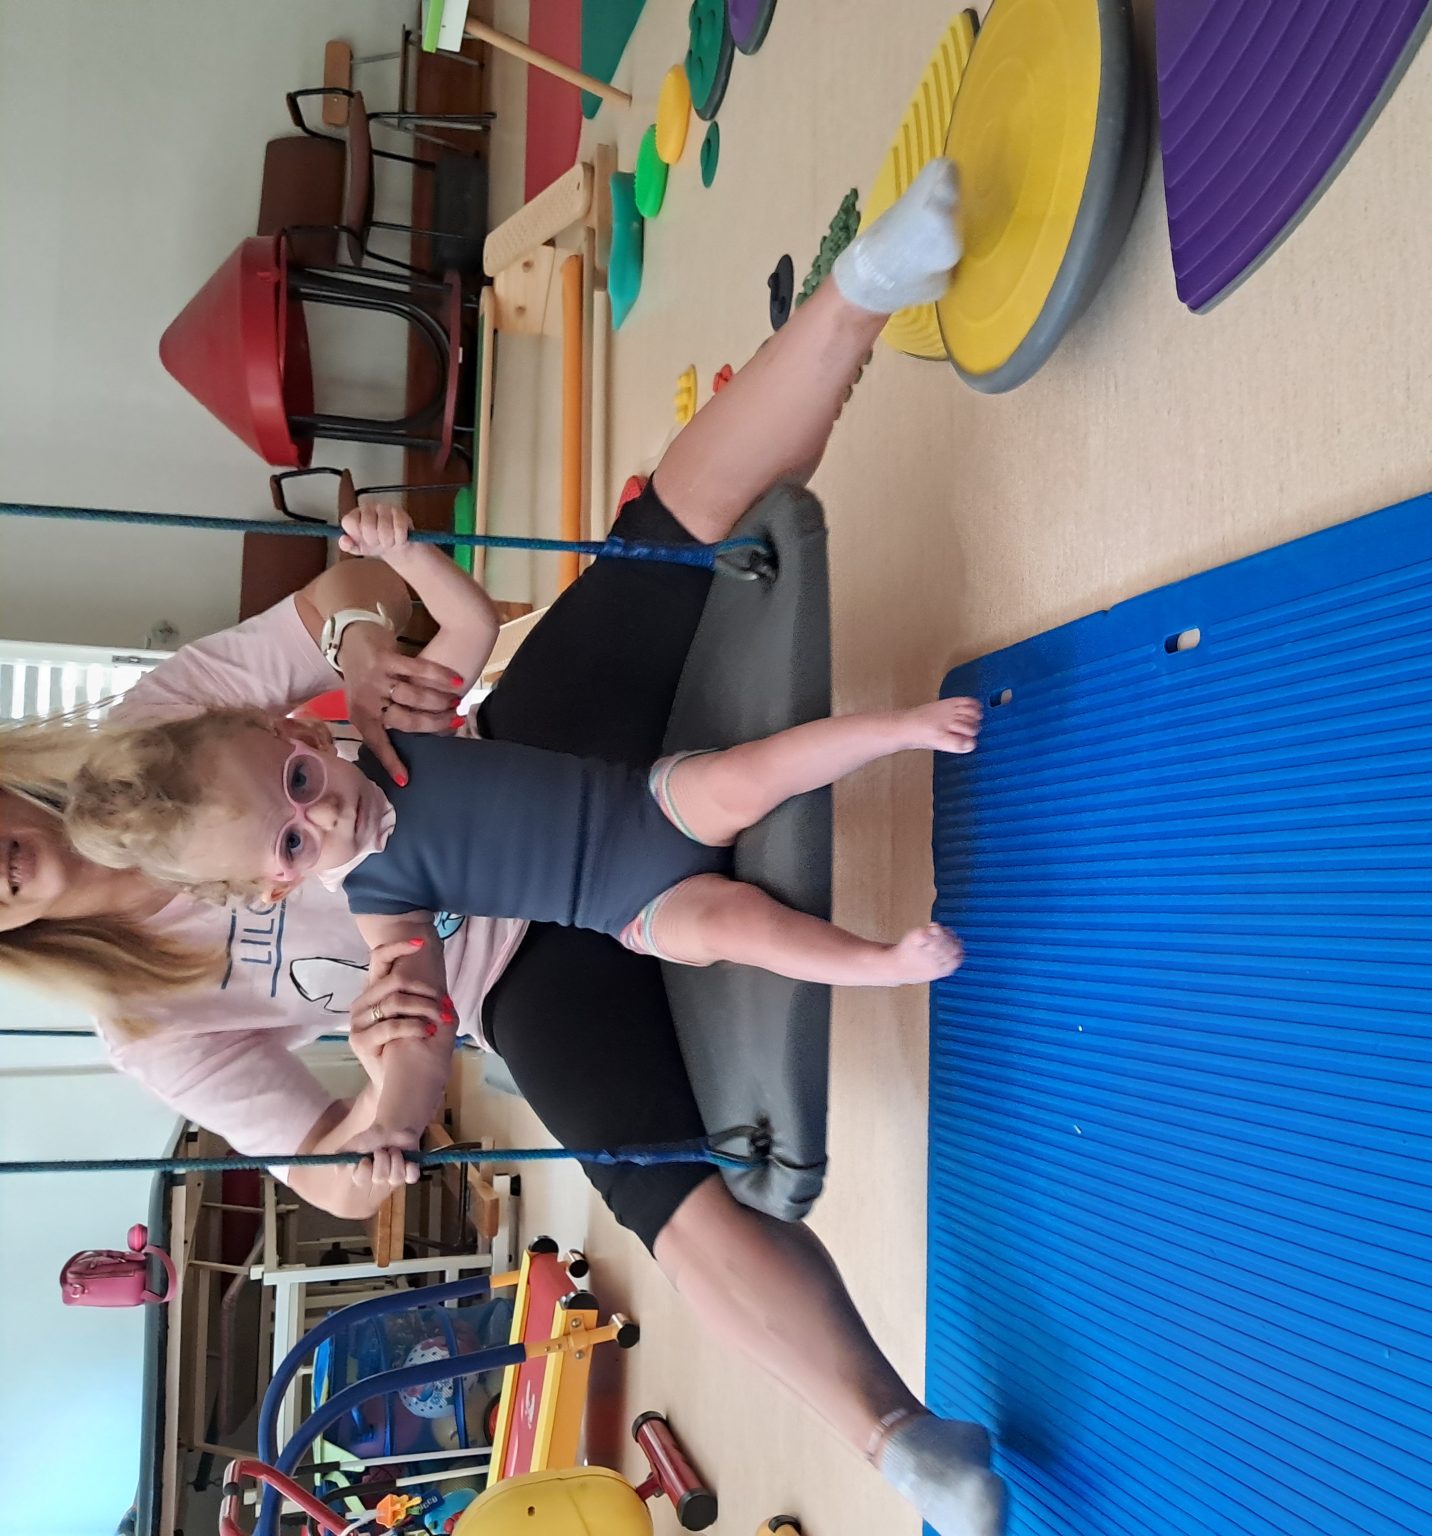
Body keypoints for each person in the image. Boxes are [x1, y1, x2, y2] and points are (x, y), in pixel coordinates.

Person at [0, 161, 1007, 1536]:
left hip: (518, 765)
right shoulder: (145, 1025)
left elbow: (352, 597)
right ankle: (899, 1441)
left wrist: (363, 648)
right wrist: (383, 1120)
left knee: (656, 537)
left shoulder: (153, 731)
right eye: (287, 839)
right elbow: (331, 1155)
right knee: (662, 1200)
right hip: (515, 983)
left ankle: (861, 295)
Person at [64, 502, 979, 991]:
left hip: (646, 802)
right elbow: (408, 978)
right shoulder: (377, 904)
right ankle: (881, 963)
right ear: (278, 885)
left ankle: (902, 727)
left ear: (299, 732)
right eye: (295, 841)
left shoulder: (398, 738)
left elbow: (468, 623)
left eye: (301, 780)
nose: (326, 813)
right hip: (634, 908)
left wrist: (404, 552)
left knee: (753, 773)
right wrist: (394, 1028)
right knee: (742, 930)